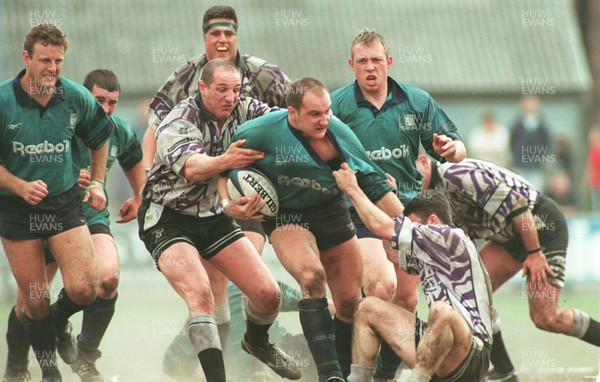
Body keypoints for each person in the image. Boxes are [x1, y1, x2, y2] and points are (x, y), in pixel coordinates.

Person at [226, 77, 403, 381]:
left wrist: (409, 229)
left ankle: (344, 372)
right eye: (315, 114)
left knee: (349, 303)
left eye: (327, 112)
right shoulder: (259, 132)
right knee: (312, 277)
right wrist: (228, 202)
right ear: (292, 113)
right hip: (287, 217)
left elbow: (373, 182)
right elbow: (227, 168)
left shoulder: (338, 135)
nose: (324, 120)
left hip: (331, 212)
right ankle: (329, 375)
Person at [137, 58, 300, 382]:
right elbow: (194, 168)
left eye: (236, 90)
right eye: (222, 89)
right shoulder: (179, 119)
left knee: (269, 295)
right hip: (167, 219)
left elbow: (284, 122)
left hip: (211, 217)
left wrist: (316, 120)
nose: (230, 97)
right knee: (201, 295)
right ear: (202, 88)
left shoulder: (245, 109)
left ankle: (257, 343)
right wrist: (228, 160)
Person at [329, 27, 466, 380]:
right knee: (381, 286)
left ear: (388, 62)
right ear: (352, 65)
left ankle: (383, 375)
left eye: (377, 60)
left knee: (405, 302)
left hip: (406, 213)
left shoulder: (416, 102)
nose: (370, 67)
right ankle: (349, 370)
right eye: (363, 61)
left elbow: (455, 146)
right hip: (358, 213)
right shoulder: (337, 108)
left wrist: (452, 150)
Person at [1, 69, 146, 382]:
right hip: (46, 214)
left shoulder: (115, 129)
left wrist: (139, 195)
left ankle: (84, 356)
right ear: (85, 100)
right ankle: (16, 365)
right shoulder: (59, 121)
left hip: (89, 216)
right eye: (99, 101)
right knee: (30, 300)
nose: (106, 109)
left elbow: (134, 158)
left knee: (106, 279)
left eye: (113, 103)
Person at [416, 155, 600, 382]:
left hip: (539, 225)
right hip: (509, 239)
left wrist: (533, 253)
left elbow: (518, 205)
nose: (410, 179)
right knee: (473, 295)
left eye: (413, 170)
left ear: (424, 161)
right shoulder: (430, 197)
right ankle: (505, 371)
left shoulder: (457, 173)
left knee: (546, 317)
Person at [0, 24, 113, 381]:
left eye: (59, 61)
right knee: (34, 300)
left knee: (84, 288)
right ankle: (46, 372)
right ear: (26, 59)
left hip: (63, 205)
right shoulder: (4, 102)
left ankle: (54, 328)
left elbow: (101, 136)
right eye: (45, 60)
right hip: (16, 210)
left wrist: (97, 181)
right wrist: (19, 186)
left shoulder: (76, 96)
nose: (52, 68)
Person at [331, 167, 492, 382]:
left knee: (441, 311)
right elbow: (393, 254)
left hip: (471, 351)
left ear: (433, 221)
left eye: (414, 225)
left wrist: (352, 189)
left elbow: (383, 228)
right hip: (438, 350)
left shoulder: (450, 236)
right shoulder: (431, 253)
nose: (410, 231)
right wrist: (390, 202)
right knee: (367, 308)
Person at [509, 95, 552, 190]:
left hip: (536, 164)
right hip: (521, 163)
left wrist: (542, 156)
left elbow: (546, 142)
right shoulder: (517, 124)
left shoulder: (542, 124)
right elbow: (512, 143)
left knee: (535, 190)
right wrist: (516, 158)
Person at [586, 126, 600, 212]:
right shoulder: (593, 150)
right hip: (595, 183)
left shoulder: (595, 150)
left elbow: (591, 168)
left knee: (597, 208)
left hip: (596, 183)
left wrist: (588, 180)